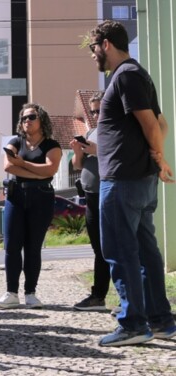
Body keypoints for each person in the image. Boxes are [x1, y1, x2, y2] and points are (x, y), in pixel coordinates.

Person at [88, 20, 175, 346]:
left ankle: (134, 324)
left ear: (107, 44)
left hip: (123, 181)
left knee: (121, 252)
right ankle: (161, 321)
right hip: (137, 180)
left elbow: (153, 124)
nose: (93, 54)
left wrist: (160, 157)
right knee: (146, 252)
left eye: (94, 48)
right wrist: (156, 157)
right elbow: (161, 123)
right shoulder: (136, 75)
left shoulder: (125, 76)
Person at [0, 103, 62, 309]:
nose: (27, 121)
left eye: (31, 117)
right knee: (12, 245)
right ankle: (11, 293)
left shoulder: (52, 145)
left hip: (41, 197)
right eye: (23, 118)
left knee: (33, 247)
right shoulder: (15, 142)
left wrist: (22, 164)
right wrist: (37, 173)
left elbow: (51, 169)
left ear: (41, 119)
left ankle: (30, 293)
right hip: (16, 195)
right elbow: (8, 165)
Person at [70, 91, 110, 311]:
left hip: (109, 194)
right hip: (91, 196)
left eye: (99, 110)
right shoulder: (92, 131)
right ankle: (98, 295)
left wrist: (98, 150)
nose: (96, 115)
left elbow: (121, 155)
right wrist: (78, 151)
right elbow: (77, 166)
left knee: (113, 247)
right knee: (98, 248)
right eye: (93, 111)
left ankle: (123, 298)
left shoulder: (115, 131)